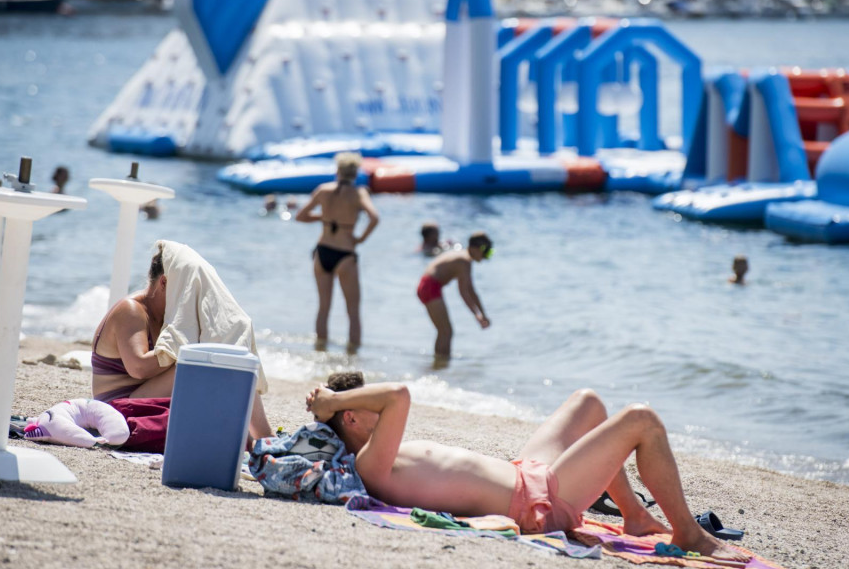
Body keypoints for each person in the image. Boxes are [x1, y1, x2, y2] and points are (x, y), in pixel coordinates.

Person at [307, 373, 749, 562]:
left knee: (588, 402)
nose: (377, 409)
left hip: (525, 472)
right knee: (642, 420)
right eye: (365, 405)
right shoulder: (369, 463)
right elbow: (399, 394)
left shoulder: (379, 455)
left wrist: (335, 402)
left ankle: (634, 516)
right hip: (537, 501)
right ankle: (688, 532)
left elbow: (392, 398)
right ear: (350, 418)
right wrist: (331, 400)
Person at [91, 242, 271, 440]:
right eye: (187, 290)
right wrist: (182, 344)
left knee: (227, 360)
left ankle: (261, 438)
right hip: (117, 406)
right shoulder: (132, 310)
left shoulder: (170, 318)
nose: (190, 298)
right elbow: (139, 367)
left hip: (144, 398)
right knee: (201, 366)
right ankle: (263, 439)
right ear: (164, 283)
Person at [295, 152, 379, 350]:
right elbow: (374, 218)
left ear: (337, 171)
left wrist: (324, 218)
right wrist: (361, 238)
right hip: (345, 254)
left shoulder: (324, 190)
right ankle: (352, 357)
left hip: (322, 250)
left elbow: (301, 216)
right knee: (353, 311)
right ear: (355, 172)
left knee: (324, 308)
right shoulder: (359, 193)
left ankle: (320, 352)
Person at [416, 231, 491, 359]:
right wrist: (476, 315)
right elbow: (463, 293)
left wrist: (482, 313)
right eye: (485, 251)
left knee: (445, 331)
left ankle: (440, 363)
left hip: (427, 286)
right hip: (430, 287)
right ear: (474, 248)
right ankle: (440, 365)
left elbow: (471, 290)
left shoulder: (463, 257)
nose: (485, 256)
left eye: (489, 252)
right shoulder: (464, 261)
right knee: (446, 331)